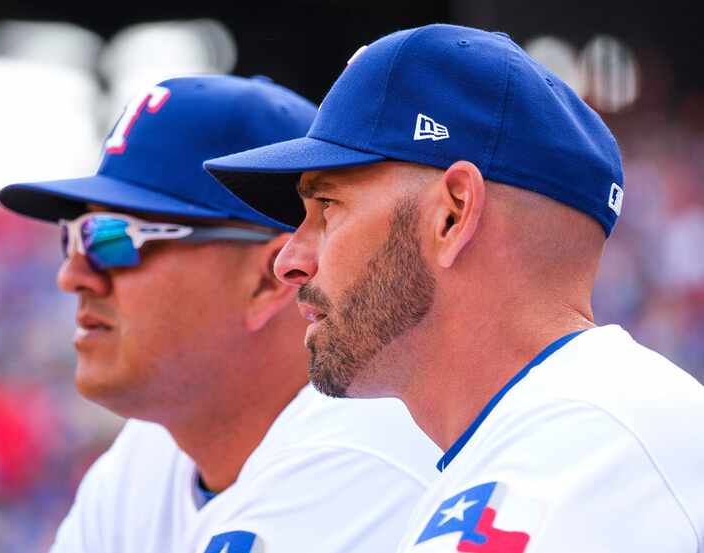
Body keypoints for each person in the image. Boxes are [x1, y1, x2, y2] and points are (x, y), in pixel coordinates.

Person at [204, 25, 704, 552]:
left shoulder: (583, 455)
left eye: (328, 207)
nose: (289, 261)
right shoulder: (557, 438)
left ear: (452, 214)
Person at [0, 75, 441, 553]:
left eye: (112, 238)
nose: (72, 275)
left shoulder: (361, 456)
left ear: (268, 281)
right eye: (73, 237)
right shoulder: (150, 453)